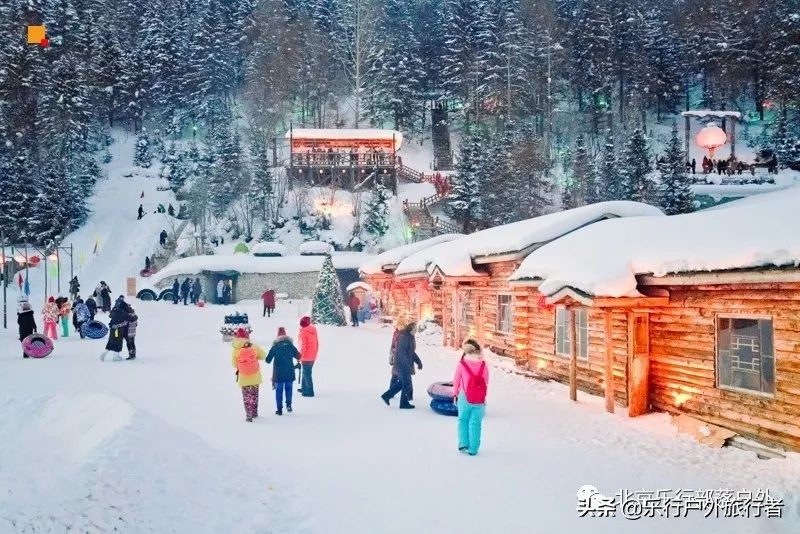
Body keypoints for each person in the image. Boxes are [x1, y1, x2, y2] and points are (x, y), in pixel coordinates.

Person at [453, 339, 489, 456]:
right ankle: (473, 449)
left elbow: (456, 380)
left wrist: (455, 394)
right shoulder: (484, 365)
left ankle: (463, 444)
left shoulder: (462, 364)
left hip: (464, 396)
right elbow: (486, 382)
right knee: (475, 423)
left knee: (463, 420)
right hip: (479, 398)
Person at [381, 321, 421, 409]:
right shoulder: (404, 337)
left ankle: (386, 396)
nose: (416, 330)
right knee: (406, 383)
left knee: (402, 383)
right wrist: (406, 364)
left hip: (405, 364)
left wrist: (418, 362)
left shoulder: (410, 337)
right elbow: (401, 352)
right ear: (411, 329)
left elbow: (411, 352)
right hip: (402, 364)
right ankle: (403, 403)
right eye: (415, 329)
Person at [231, 328, 266, 422]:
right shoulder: (253, 346)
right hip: (255, 375)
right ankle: (254, 412)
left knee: (246, 396)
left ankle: (248, 415)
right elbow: (263, 355)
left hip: (243, 376)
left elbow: (234, 364)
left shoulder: (236, 349)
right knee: (254, 394)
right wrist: (254, 357)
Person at [266, 327, 301, 415]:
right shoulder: (290, 345)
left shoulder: (275, 346)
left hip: (278, 373)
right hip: (290, 371)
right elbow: (299, 356)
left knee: (279, 390)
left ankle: (279, 409)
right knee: (289, 388)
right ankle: (289, 405)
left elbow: (268, 360)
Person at [298, 316, 318, 397]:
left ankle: (309, 392)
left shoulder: (304, 332)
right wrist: (315, 353)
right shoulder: (313, 331)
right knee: (306, 372)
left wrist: (300, 356)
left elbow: (304, 346)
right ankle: (304, 388)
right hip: (312, 355)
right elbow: (317, 343)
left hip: (306, 356)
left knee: (307, 374)